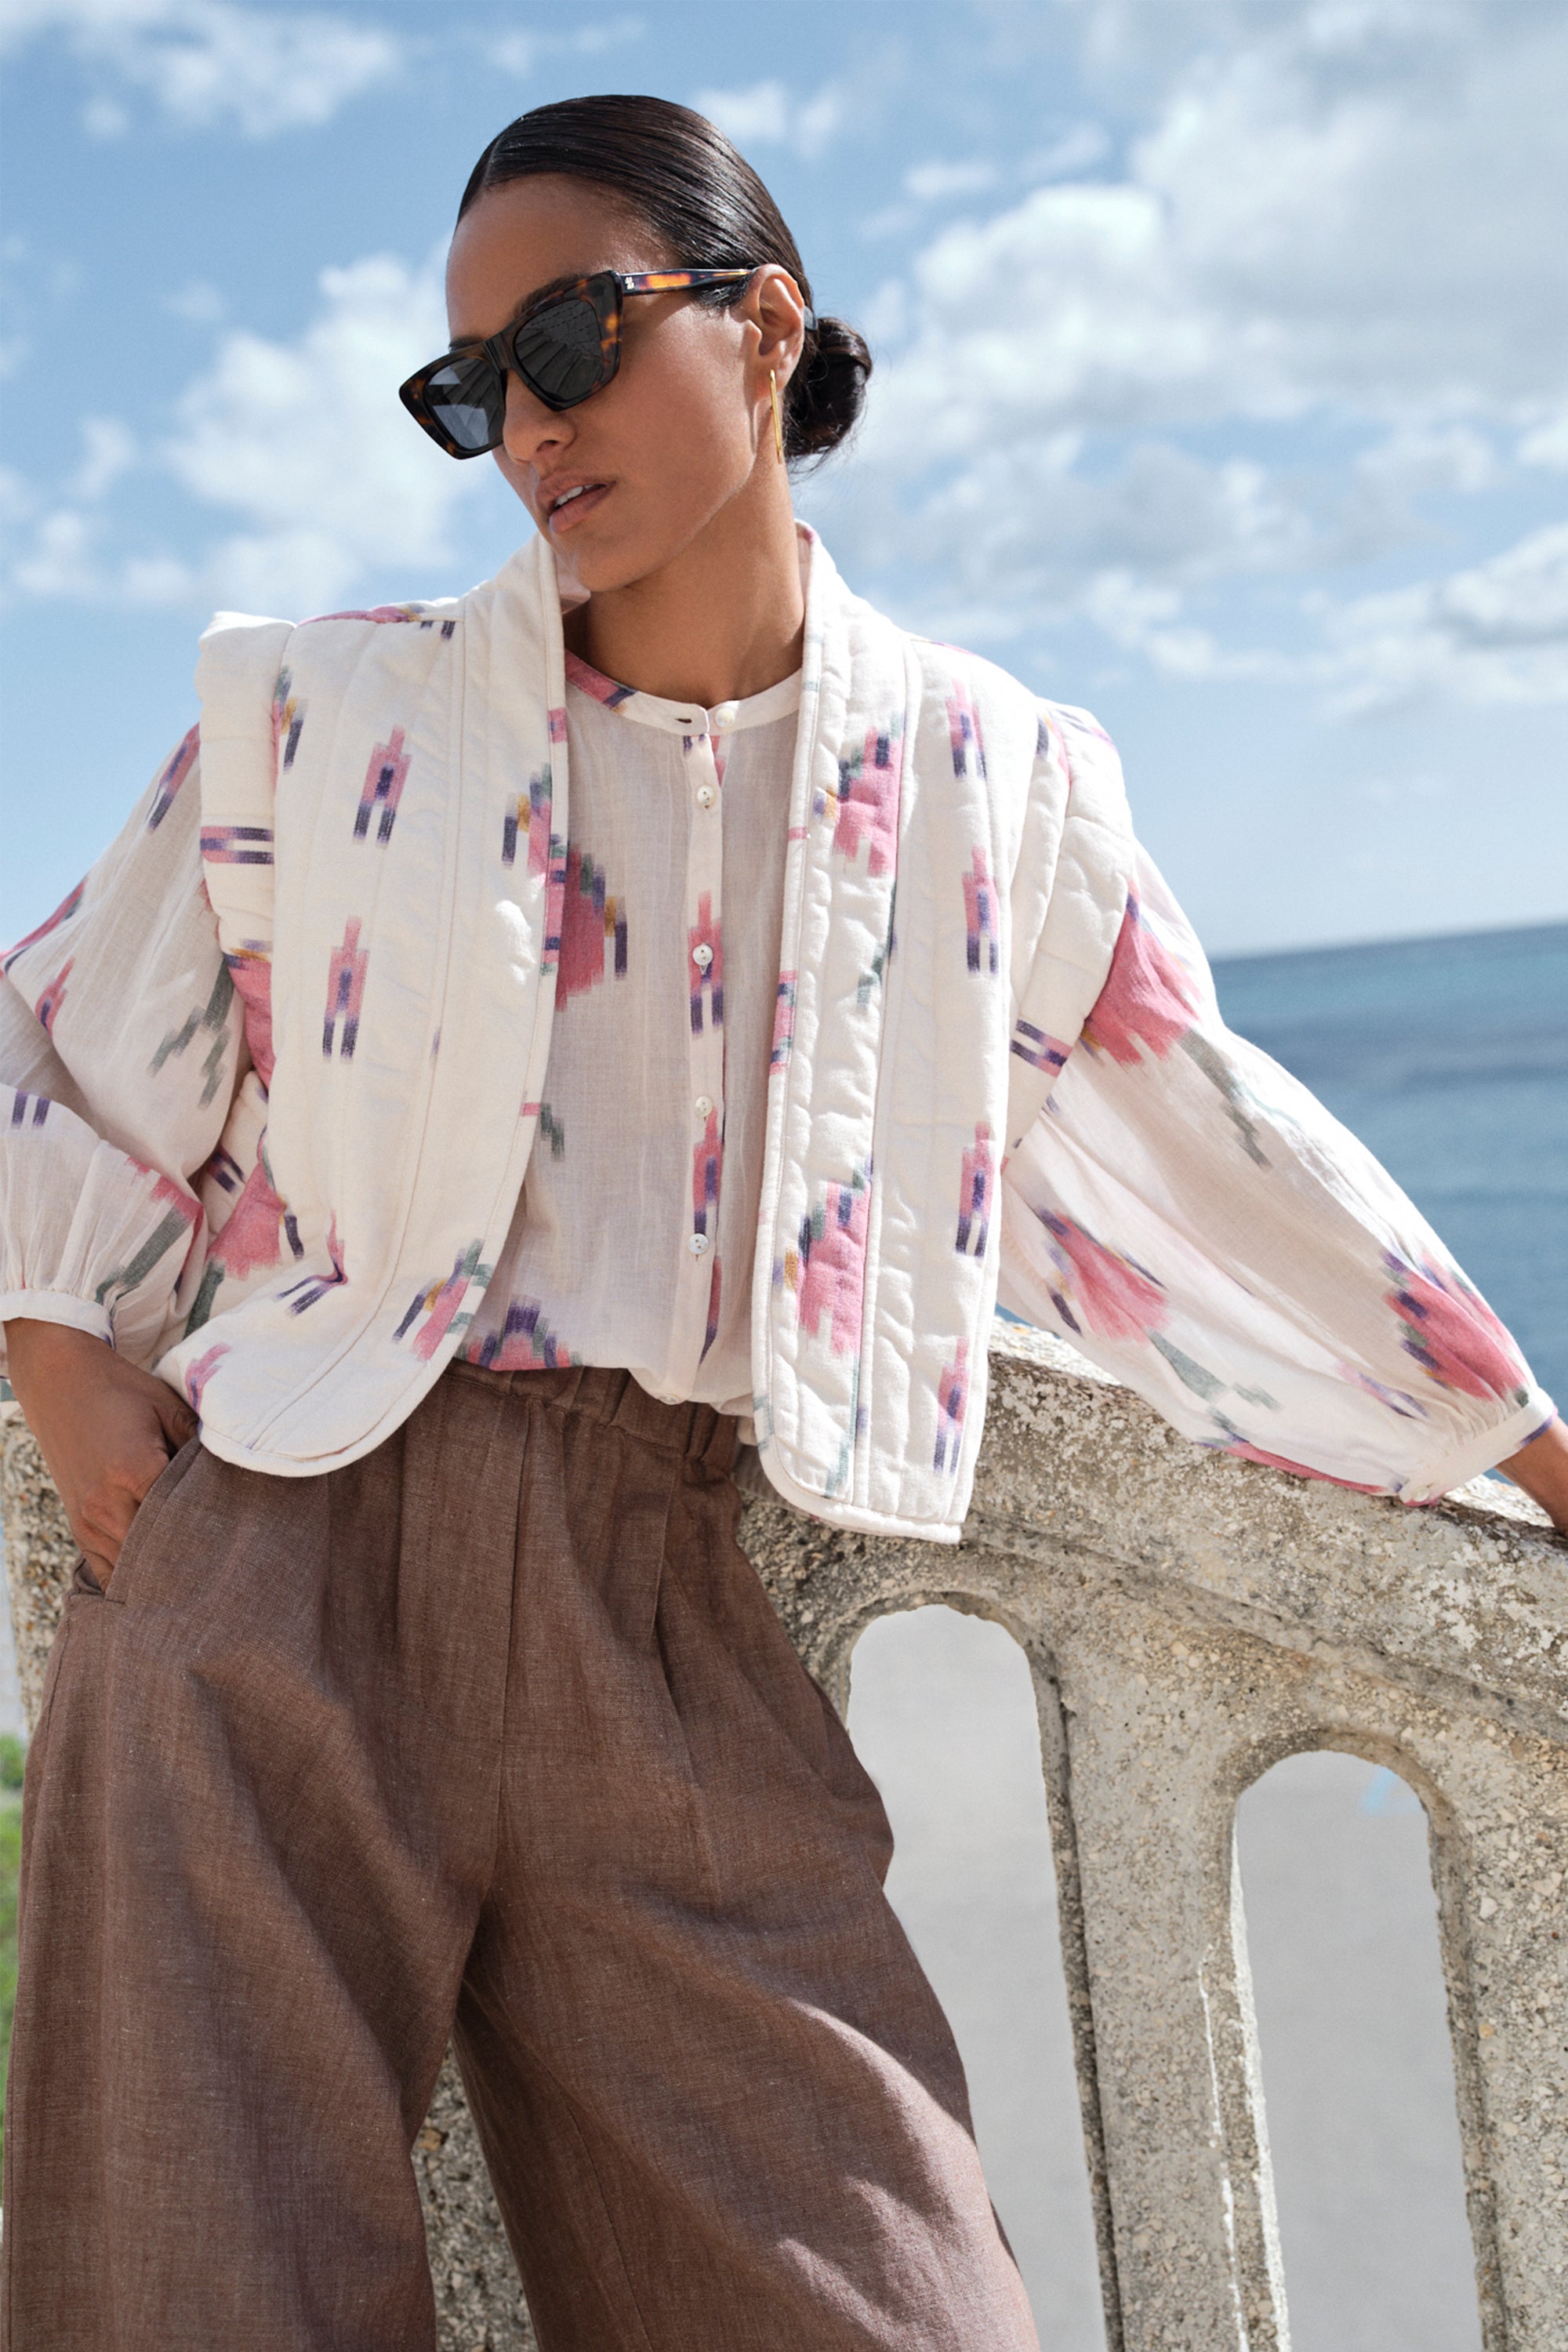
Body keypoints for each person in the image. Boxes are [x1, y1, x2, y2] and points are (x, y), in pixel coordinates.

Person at [1, 93, 1562, 2352]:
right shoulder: (326, 715)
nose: (528, 425)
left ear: (764, 326)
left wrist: (1520, 1445)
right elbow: (55, 1033)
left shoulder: (989, 777)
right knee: (195, 2294)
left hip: (666, 1594)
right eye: (472, 387)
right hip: (280, 1578)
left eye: (568, 336)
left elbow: (1204, 1139)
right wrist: (58, 1346)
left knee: (885, 2295)